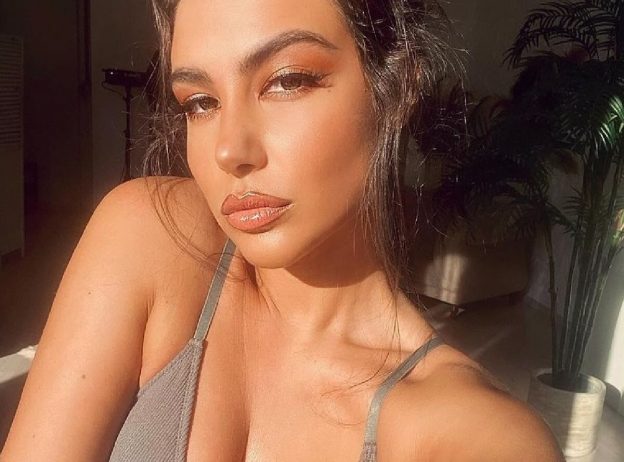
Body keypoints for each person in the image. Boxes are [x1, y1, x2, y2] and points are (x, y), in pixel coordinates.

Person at [1, 0, 565, 460]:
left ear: (397, 87)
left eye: (287, 81)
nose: (229, 150)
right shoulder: (149, 234)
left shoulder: (470, 430)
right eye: (200, 102)